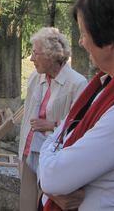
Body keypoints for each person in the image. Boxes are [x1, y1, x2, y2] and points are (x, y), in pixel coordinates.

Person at [39, 0, 114, 210]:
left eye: (83, 33)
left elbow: (54, 176)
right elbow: (64, 134)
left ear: (109, 40)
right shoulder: (107, 84)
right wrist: (50, 173)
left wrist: (48, 153)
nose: (80, 42)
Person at [18, 27, 87, 211]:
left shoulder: (77, 83)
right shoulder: (35, 77)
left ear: (52, 55)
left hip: (53, 158)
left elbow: (80, 126)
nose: (31, 58)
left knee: (47, 204)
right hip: (28, 150)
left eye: (35, 53)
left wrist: (51, 125)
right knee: (27, 202)